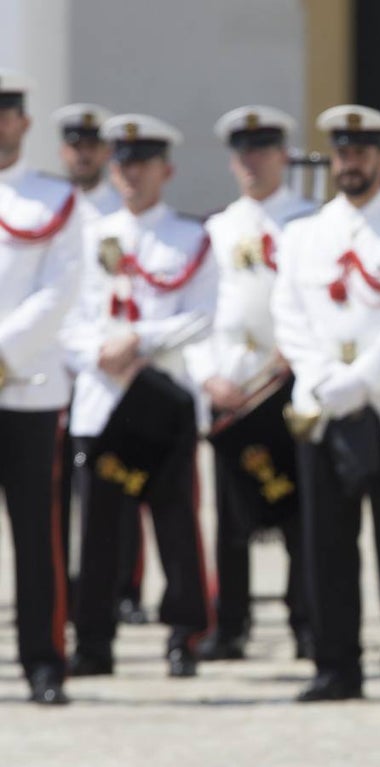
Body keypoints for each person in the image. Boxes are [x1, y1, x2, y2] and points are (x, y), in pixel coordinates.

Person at [271, 105, 380, 703]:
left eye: (364, 151)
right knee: (325, 546)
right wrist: (324, 379)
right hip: (320, 410)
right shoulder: (300, 235)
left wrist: (361, 380)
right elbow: (288, 318)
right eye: (343, 150)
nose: (352, 161)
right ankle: (335, 665)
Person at [64, 113, 217, 679]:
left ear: (165, 170)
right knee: (98, 530)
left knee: (176, 525)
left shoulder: (190, 236)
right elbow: (68, 318)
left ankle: (185, 634)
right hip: (103, 400)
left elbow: (202, 317)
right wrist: (98, 351)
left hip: (162, 402)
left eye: (142, 163)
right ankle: (94, 642)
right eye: (122, 162)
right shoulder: (86, 236)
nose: (130, 173)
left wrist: (139, 340)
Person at [187, 105, 318, 662]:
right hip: (235, 389)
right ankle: (231, 623)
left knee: (298, 512)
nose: (251, 161)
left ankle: (307, 624)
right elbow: (197, 310)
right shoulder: (216, 228)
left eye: (262, 149)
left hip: (290, 381)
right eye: (242, 151)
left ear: (281, 155)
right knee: (233, 515)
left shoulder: (309, 218)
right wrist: (208, 376)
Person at [51, 101, 149, 627]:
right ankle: (69, 583)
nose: (82, 153)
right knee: (58, 488)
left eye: (92, 145)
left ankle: (124, 586)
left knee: (120, 482)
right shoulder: (49, 205)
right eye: (74, 144)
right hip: (48, 364)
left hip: (102, 368)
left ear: (105, 153)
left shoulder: (118, 214)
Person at [0, 68, 81, 705]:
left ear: (24, 122)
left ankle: (44, 661)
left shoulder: (53, 199)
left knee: (37, 536)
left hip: (25, 386)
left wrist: (2, 353)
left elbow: (61, 288)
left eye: (7, 111)